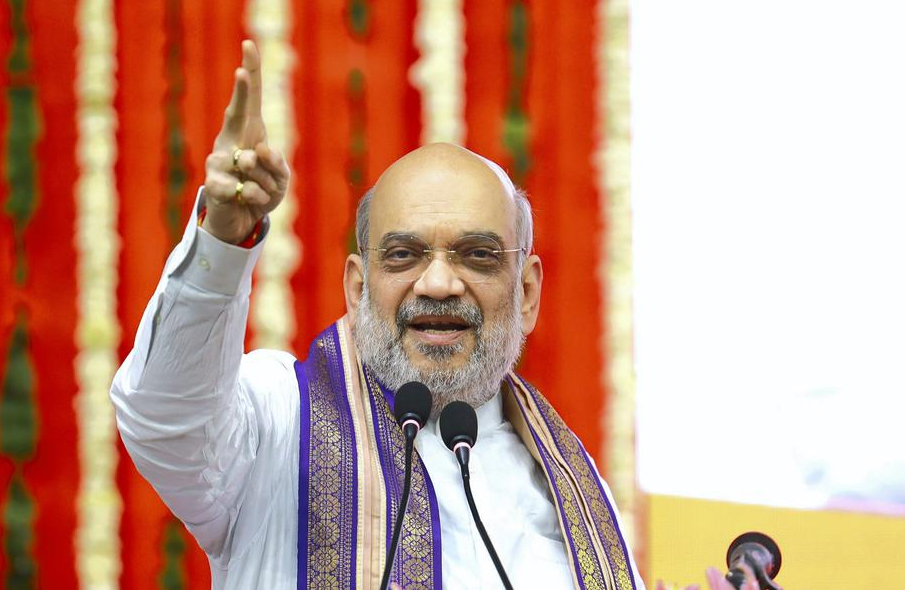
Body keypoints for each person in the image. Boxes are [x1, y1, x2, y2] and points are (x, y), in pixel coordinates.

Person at [112, 41, 759, 590]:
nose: (441, 283)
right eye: (404, 255)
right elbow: (166, 418)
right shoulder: (277, 419)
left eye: (478, 255)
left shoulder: (572, 493)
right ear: (357, 288)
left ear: (526, 293)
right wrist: (223, 238)